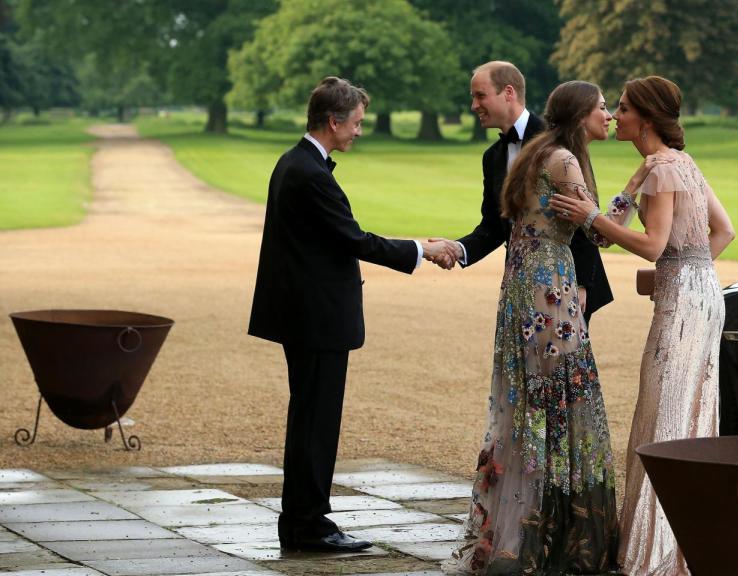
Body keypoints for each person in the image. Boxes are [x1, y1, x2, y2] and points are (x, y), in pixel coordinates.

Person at [248, 76, 447, 552]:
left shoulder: (295, 163)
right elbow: (353, 239)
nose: (359, 130)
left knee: (309, 421)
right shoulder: (309, 173)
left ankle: (300, 521)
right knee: (316, 425)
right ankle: (309, 526)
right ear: (334, 121)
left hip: (306, 317)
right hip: (316, 320)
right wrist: (422, 249)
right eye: (355, 123)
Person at [550, 75, 735, 576]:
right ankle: (683, 543)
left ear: (646, 120)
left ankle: (659, 555)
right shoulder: (677, 165)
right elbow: (725, 231)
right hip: (704, 296)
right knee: (689, 410)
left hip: (683, 309)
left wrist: (592, 216)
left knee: (666, 414)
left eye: (625, 108)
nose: (615, 115)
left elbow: (649, 243)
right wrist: (680, 270)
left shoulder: (663, 171)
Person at [442, 81, 619, 575]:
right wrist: (641, 190)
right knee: (560, 404)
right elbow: (599, 233)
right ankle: (555, 535)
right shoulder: (563, 159)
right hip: (549, 295)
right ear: (581, 113)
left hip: (522, 292)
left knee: (530, 403)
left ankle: (520, 529)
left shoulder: (536, 151)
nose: (608, 114)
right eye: (602, 107)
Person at [431, 61, 613, 323]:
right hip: (521, 280)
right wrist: (457, 249)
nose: (474, 106)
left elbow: (583, 212)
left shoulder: (557, 142)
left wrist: (582, 284)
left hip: (567, 282)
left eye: (480, 96)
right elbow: (494, 226)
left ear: (508, 92)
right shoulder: (492, 157)